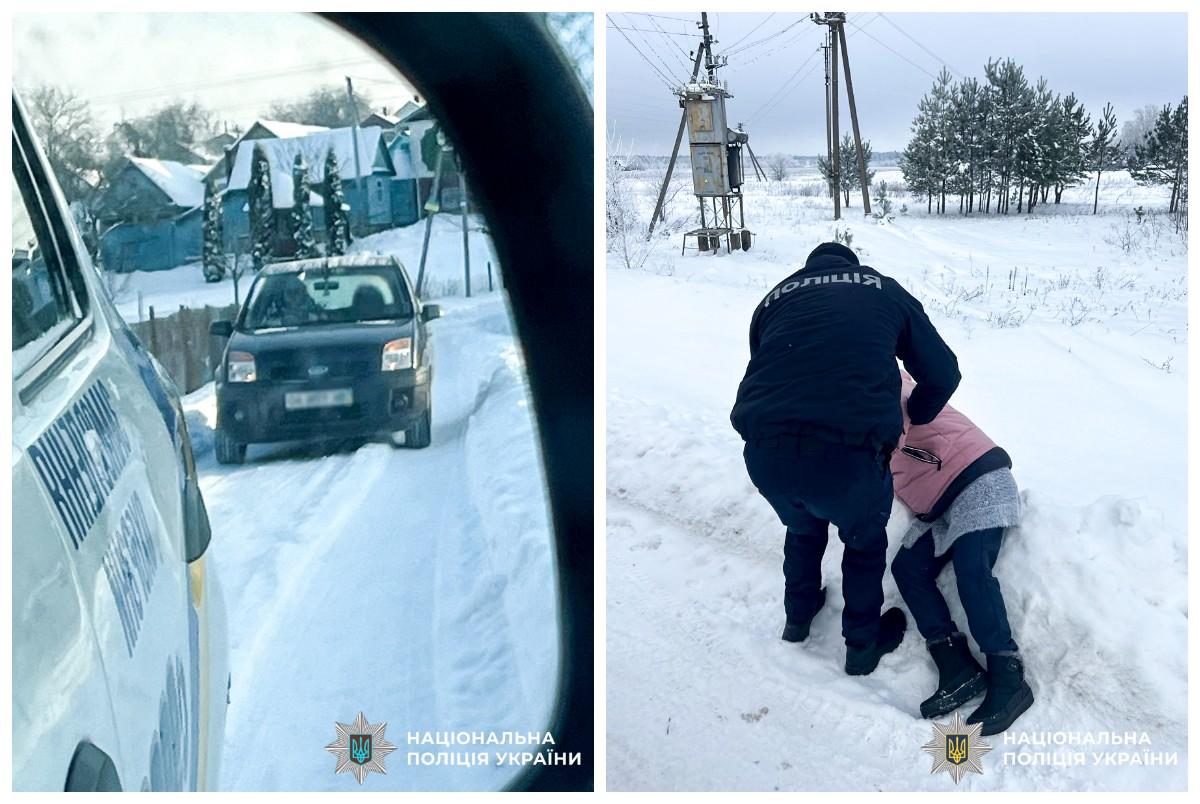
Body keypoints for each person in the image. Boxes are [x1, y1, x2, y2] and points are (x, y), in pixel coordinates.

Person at [731, 241, 960, 676]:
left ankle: (798, 619)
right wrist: (916, 414)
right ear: (853, 264)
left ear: (810, 268)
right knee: (863, 543)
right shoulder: (883, 289)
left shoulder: (775, 296)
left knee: (801, 526)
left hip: (765, 450)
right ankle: (861, 646)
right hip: (848, 457)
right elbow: (944, 371)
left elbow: (768, 363)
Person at [889, 371, 1033, 735]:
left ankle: (1009, 679)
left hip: (980, 480)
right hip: (939, 505)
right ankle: (957, 667)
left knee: (973, 569)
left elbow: (887, 425)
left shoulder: (884, 380)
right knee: (907, 567)